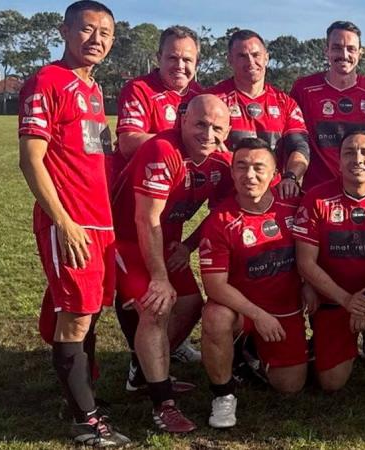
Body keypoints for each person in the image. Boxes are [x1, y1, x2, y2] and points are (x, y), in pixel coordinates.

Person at [18, 1, 130, 446]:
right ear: (64, 30)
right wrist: (63, 221)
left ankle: (81, 397)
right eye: (87, 29)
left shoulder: (94, 89)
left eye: (105, 32)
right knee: (77, 317)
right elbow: (31, 160)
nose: (96, 39)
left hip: (99, 224)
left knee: (85, 313)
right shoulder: (47, 81)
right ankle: (85, 422)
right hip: (71, 223)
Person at [110, 94, 234, 433]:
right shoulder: (162, 150)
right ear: (182, 121)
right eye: (200, 124)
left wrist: (190, 245)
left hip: (165, 243)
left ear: (228, 129)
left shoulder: (221, 162)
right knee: (157, 308)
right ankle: (162, 403)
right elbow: (145, 219)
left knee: (192, 304)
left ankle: (144, 369)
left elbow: (221, 214)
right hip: (126, 240)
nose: (208, 133)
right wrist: (159, 277)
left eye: (216, 127)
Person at [290, 20, 365, 368]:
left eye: (350, 48)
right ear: (326, 49)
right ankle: (320, 329)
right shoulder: (304, 89)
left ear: (360, 53)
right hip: (321, 194)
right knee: (324, 259)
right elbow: (296, 137)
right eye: (337, 47)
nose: (343, 54)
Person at [113, 25, 203, 385]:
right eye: (172, 57)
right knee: (153, 305)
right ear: (158, 58)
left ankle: (156, 356)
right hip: (132, 220)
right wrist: (185, 141)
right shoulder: (141, 89)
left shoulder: (199, 96)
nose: (179, 65)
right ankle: (147, 370)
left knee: (191, 303)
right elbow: (129, 142)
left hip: (171, 224)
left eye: (187, 59)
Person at [199, 137, 308, 429]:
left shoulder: (294, 205)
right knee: (215, 316)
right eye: (241, 167)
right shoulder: (219, 220)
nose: (249, 176)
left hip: (285, 307)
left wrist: (310, 286)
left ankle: (250, 355)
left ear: (275, 174)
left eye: (259, 168)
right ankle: (223, 394)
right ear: (232, 172)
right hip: (243, 310)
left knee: (291, 386)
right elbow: (214, 286)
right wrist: (257, 316)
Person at [293, 130, 365, 391]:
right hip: (336, 297)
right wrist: (347, 300)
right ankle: (324, 345)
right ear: (338, 161)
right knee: (332, 384)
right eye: (349, 152)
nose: (357, 159)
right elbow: (305, 263)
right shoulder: (316, 198)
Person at [208, 29, 309, 199]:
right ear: (229, 60)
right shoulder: (213, 100)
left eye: (256, 55)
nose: (250, 62)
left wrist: (291, 177)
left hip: (274, 198)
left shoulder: (285, 103)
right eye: (242, 56)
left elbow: (300, 146)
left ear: (267, 57)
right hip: (227, 199)